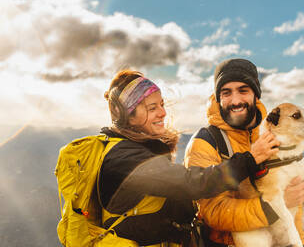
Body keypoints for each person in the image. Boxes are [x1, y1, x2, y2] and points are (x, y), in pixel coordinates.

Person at [97, 69, 271, 246]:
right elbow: (192, 183)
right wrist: (249, 160)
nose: (162, 112)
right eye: (152, 108)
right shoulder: (124, 159)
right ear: (127, 116)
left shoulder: (141, 151)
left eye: (161, 104)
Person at [184, 58, 304, 247]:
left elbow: (300, 197)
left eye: (243, 90)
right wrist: (273, 206)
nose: (235, 101)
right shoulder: (206, 141)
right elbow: (213, 213)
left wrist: (302, 242)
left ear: (255, 95)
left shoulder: (276, 133)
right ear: (218, 98)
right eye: (226, 92)